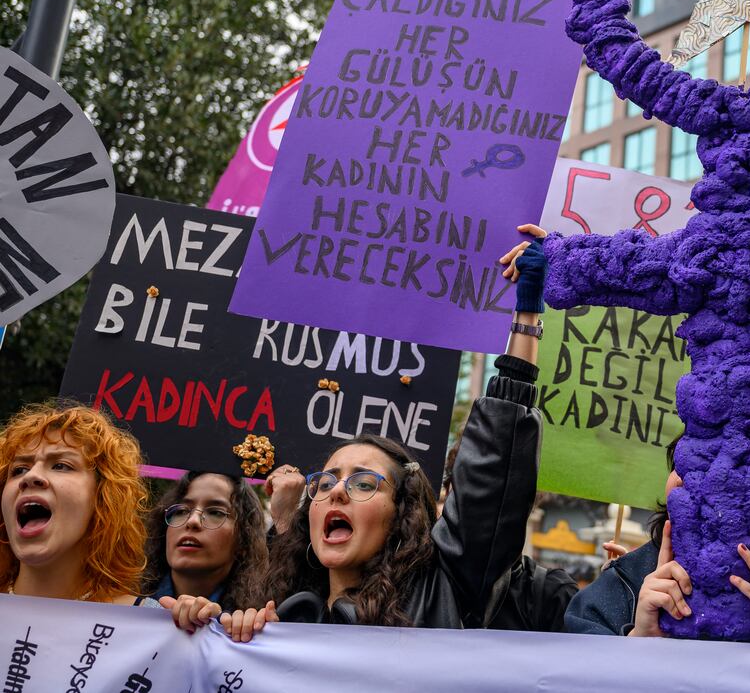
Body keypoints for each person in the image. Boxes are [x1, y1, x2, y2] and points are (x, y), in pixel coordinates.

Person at [173, 225, 576, 640]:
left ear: (402, 514)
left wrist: (526, 313)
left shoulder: (443, 589)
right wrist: (216, 632)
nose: (337, 492)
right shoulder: (283, 612)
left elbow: (491, 476)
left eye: (364, 482)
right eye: (326, 481)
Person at [564, 436, 750, 654]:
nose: (699, 483)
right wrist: (636, 640)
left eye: (729, 472)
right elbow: (562, 675)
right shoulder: (623, 586)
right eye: (685, 466)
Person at [0, 403, 157, 607]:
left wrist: (201, 626)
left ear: (103, 498)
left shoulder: (150, 625)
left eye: (60, 466)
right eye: (19, 470)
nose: (30, 477)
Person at [143, 471, 267, 622]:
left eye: (215, 512)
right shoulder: (120, 604)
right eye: (181, 511)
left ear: (244, 540)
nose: (192, 521)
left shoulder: (258, 622)